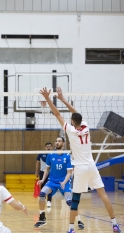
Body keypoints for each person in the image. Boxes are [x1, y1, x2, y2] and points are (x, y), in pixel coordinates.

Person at [40, 87, 121, 233]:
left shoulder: (70, 130)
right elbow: (76, 113)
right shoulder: (86, 126)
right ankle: (115, 224)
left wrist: (48, 98)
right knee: (103, 196)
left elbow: (57, 113)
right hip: (92, 166)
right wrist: (63, 99)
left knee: (75, 200)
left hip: (80, 168)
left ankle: (71, 229)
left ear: (72, 121)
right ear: (80, 120)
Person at [34, 137, 84, 230]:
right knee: (41, 194)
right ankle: (42, 218)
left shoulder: (67, 156)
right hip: (52, 181)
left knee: (69, 202)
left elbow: (69, 172)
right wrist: (42, 179)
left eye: (59, 141)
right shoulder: (51, 154)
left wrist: (64, 182)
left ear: (63, 144)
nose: (57, 142)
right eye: (56, 141)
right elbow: (47, 169)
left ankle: (79, 220)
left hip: (64, 182)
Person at [35, 142, 53, 207]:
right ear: (45, 147)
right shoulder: (41, 154)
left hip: (51, 173)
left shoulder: (53, 154)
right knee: (43, 186)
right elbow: (37, 163)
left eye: (50, 146)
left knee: (50, 187)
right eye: (47, 146)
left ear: (52, 147)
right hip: (42, 172)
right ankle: (44, 198)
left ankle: (49, 201)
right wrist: (37, 172)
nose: (48, 147)